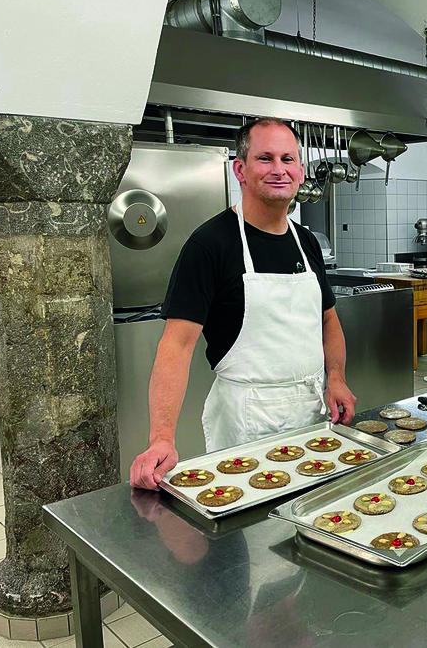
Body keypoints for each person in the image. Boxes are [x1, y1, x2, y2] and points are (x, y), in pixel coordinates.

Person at [130, 117, 356, 490]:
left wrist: (336, 378)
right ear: (241, 169)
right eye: (265, 158)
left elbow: (327, 321)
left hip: (311, 412)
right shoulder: (209, 245)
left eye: (288, 159)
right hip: (246, 419)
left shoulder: (307, 241)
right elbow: (176, 345)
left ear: (300, 171)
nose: (279, 170)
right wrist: (162, 437)